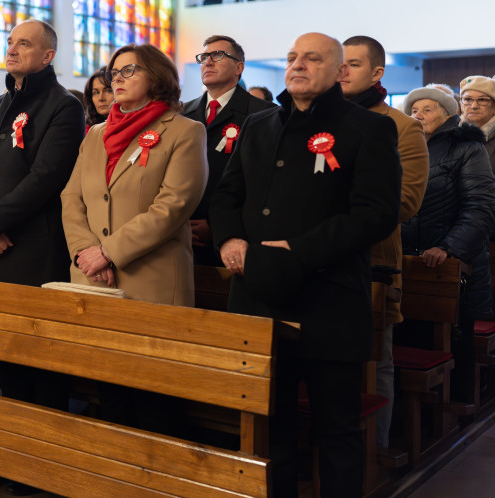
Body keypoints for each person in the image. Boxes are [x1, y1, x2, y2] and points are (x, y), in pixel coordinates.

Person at [209, 33, 401, 498]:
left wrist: (296, 249)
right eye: (293, 57)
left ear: (338, 72)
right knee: (271, 430)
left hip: (328, 301)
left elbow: (376, 214)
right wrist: (230, 238)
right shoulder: (260, 125)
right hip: (256, 297)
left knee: (335, 431)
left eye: (312, 58)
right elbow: (227, 193)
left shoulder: (368, 129)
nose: (297, 65)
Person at [0, 19, 84, 495]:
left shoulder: (63, 107)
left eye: (24, 44)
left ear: (47, 56)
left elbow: (48, 177)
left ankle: (44, 467)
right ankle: (9, 456)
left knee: (39, 360)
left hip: (32, 249)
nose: (12, 50)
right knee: (1, 359)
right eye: (10, 42)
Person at [62, 44, 207, 431]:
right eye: (114, 73)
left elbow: (173, 205)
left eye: (129, 71)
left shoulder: (184, 131)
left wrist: (108, 251)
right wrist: (84, 252)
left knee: (152, 399)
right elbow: (71, 197)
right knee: (110, 393)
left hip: (152, 281)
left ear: (157, 78)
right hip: (94, 279)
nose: (117, 79)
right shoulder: (94, 134)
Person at [339, 36, 428, 448]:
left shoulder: (402, 126)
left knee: (378, 362)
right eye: (339, 63)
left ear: (377, 73)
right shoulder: (318, 121)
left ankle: (377, 451)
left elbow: (405, 202)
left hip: (371, 261)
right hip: (312, 265)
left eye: (353, 64)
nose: (342, 71)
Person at [402, 86, 495, 404]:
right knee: (409, 335)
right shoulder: (403, 148)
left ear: (448, 114)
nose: (418, 115)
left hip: (452, 264)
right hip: (408, 263)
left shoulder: (467, 147)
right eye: (414, 109)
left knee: (453, 340)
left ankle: (457, 405)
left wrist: (449, 247)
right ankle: (412, 410)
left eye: (428, 109)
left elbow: (480, 207)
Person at [181, 36, 273, 267]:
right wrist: (179, 225)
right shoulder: (182, 114)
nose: (208, 62)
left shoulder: (265, 115)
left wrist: (219, 226)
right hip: (182, 238)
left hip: (237, 239)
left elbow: (263, 182)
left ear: (239, 67)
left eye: (218, 55)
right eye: (204, 57)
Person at [458, 75, 495, 173]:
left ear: (494, 106)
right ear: (461, 105)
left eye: (482, 100)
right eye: (467, 99)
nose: (474, 106)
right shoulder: (449, 134)